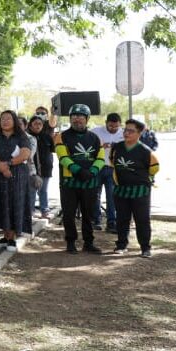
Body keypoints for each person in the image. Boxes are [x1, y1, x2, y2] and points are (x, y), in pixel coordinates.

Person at [54, 103, 104, 254]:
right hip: (69, 183)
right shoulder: (61, 136)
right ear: (70, 119)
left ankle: (88, 243)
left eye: (81, 116)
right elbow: (62, 157)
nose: (77, 119)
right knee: (69, 214)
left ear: (87, 119)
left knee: (88, 214)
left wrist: (93, 171)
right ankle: (70, 242)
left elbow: (101, 158)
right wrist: (78, 171)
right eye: (74, 116)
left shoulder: (95, 138)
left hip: (90, 183)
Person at [0, 111, 34, 251]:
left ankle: (12, 238)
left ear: (15, 121)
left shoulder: (21, 136)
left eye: (8, 118)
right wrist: (1, 166)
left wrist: (9, 164)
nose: (5, 121)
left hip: (16, 175)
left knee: (13, 203)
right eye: (2, 119)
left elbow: (25, 153)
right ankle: (5, 236)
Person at [110, 119, 159, 257]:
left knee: (142, 219)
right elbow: (113, 162)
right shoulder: (117, 147)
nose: (127, 133)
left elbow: (154, 168)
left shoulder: (146, 151)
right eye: (125, 130)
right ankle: (121, 245)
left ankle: (145, 248)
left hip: (140, 191)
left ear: (140, 133)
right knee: (122, 218)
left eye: (131, 131)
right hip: (121, 190)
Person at [90, 112, 124, 231]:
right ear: (106, 123)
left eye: (116, 126)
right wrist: (100, 147)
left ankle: (111, 222)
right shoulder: (95, 132)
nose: (113, 128)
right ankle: (96, 220)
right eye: (110, 126)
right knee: (95, 195)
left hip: (113, 169)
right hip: (97, 167)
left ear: (120, 124)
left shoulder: (124, 134)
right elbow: (88, 148)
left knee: (112, 197)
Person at [27, 115, 54, 218]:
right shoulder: (27, 137)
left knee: (43, 190)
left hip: (45, 169)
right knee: (31, 191)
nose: (38, 126)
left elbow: (52, 150)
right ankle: (30, 212)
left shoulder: (47, 137)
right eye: (35, 124)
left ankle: (44, 211)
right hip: (31, 169)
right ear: (30, 125)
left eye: (40, 124)